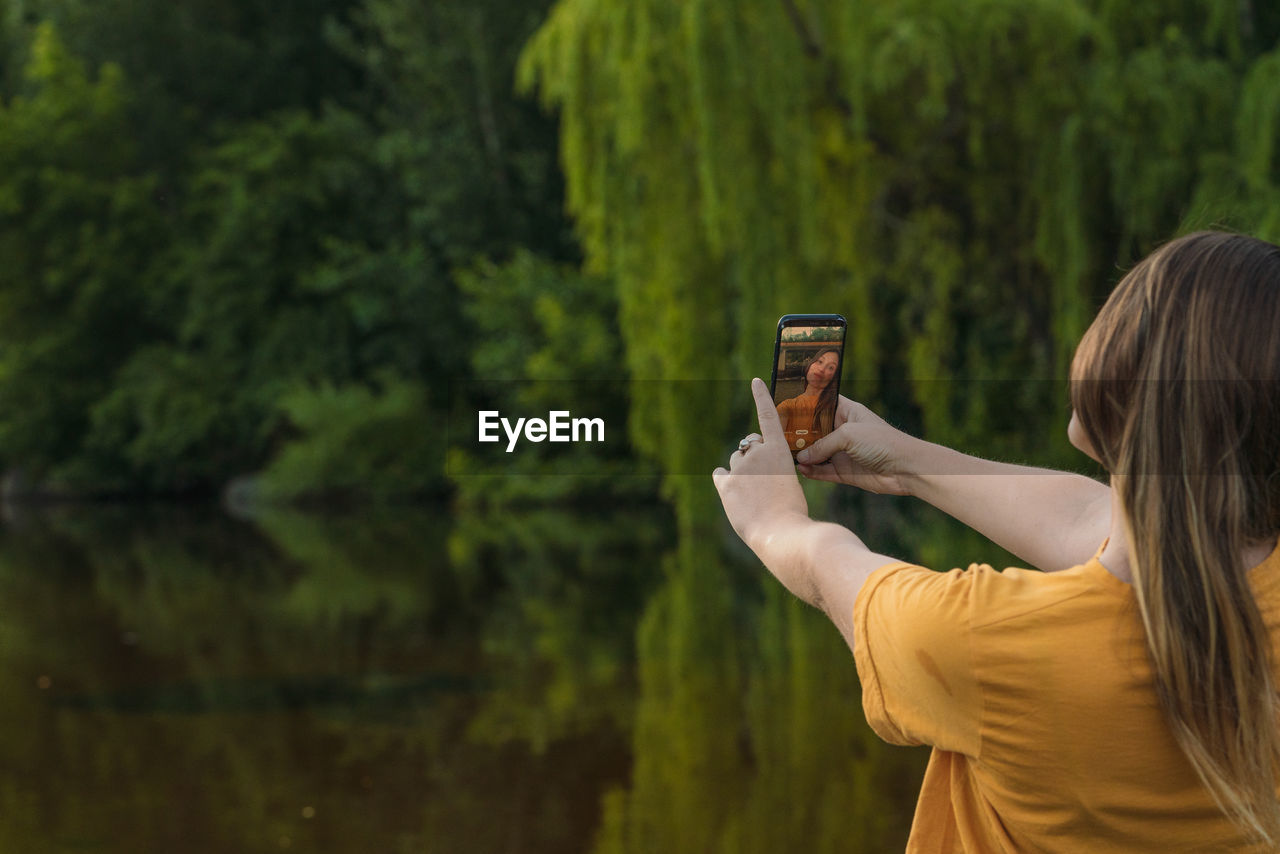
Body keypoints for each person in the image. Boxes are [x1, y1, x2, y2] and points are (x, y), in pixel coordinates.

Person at [713, 231, 1280, 852]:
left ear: (1132, 379)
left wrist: (772, 520)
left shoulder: (989, 644)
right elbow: (1092, 519)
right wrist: (905, 460)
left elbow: (833, 572)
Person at [776, 347, 840, 451]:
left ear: (834, 377)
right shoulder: (786, 407)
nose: (821, 369)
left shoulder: (837, 409)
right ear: (810, 364)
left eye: (831, 367)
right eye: (820, 361)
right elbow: (775, 449)